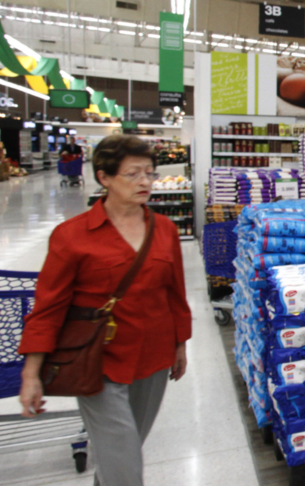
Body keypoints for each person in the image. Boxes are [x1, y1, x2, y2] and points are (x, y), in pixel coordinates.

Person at [18, 134, 192, 486]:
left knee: (123, 452)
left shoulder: (164, 230)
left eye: (150, 173)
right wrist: (31, 373)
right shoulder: (72, 235)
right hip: (97, 359)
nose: (145, 181)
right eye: (133, 173)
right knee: (124, 461)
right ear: (105, 177)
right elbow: (48, 307)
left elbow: (175, 293)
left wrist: (180, 344)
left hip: (153, 356)